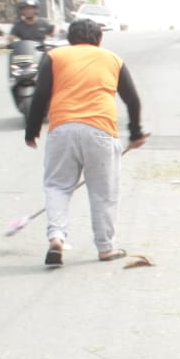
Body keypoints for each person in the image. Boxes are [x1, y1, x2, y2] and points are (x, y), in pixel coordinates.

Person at [24, 18, 145, 268]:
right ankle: (105, 248)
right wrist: (135, 133)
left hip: (62, 130)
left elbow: (40, 96)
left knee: (58, 186)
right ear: (99, 39)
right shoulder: (112, 59)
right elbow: (132, 100)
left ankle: (56, 237)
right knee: (103, 192)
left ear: (70, 39)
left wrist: (32, 130)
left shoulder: (55, 56)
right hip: (100, 130)